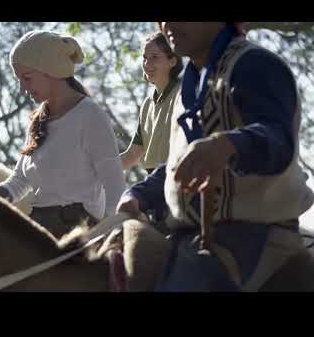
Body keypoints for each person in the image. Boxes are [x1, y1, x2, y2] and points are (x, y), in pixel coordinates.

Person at [117, 22, 314, 291]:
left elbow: (278, 140)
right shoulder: (190, 82)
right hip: (189, 235)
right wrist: (138, 195)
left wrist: (227, 145)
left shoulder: (254, 64)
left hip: (254, 236)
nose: (168, 24)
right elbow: (182, 162)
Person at [0, 30, 125, 239]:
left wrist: (106, 233)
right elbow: (20, 180)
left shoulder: (90, 115)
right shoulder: (38, 121)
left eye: (26, 78)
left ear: (50, 70)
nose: (22, 89)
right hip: (41, 232)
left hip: (80, 236)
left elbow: (114, 183)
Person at [120, 32, 182, 174]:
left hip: (176, 177)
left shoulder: (183, 94)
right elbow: (132, 155)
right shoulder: (147, 105)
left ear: (172, 61)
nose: (147, 64)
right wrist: (95, 170)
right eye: (145, 58)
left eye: (155, 57)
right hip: (153, 181)